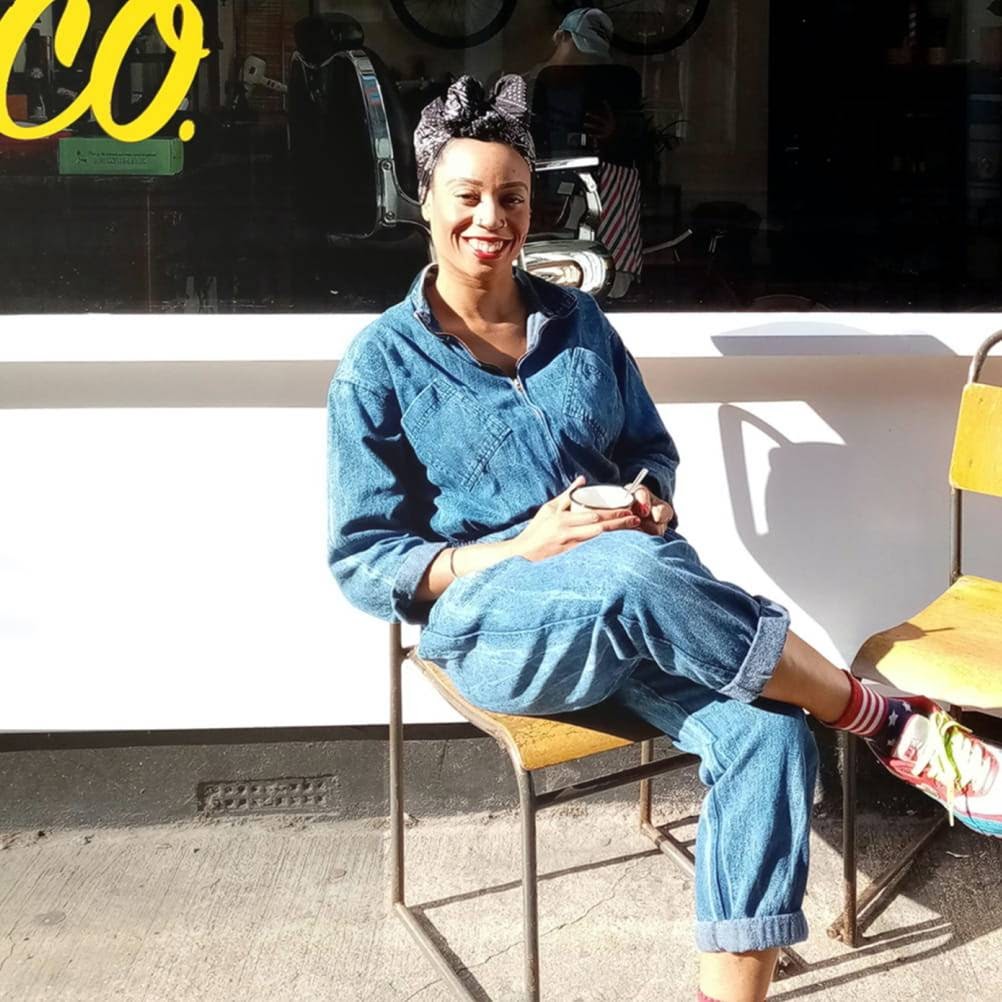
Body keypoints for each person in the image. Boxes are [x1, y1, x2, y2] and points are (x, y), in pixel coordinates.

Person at [326, 74, 1002, 1002]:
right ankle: (882, 717)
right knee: (629, 575)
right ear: (427, 202)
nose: (493, 217)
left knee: (768, 734)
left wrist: (651, 498)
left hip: (640, 610)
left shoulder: (577, 321)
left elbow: (649, 447)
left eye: (513, 197)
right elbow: (366, 563)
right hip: (499, 627)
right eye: (469, 195)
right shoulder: (380, 365)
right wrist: (522, 548)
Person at [529, 8, 646, 299]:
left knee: (595, 278)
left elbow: (638, 148)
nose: (584, 62)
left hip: (589, 191)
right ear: (562, 37)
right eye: (579, 50)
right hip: (537, 194)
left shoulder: (601, 89)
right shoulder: (524, 84)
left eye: (592, 56)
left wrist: (612, 135)